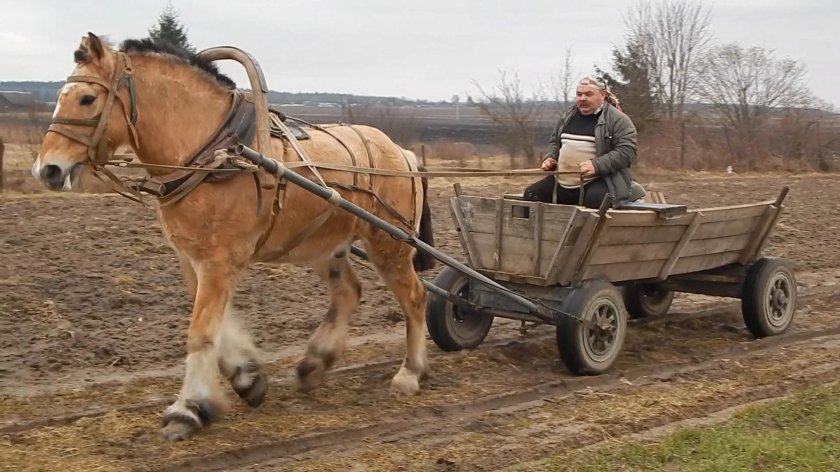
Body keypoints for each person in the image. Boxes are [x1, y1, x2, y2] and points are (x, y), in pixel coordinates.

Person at [524, 76, 638, 209]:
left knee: (596, 202)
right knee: (531, 194)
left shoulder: (618, 120)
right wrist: (551, 157)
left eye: (589, 94)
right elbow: (555, 141)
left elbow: (627, 151)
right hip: (562, 181)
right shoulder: (568, 116)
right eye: (579, 94)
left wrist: (597, 165)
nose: (582, 98)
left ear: (603, 95)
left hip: (600, 181)